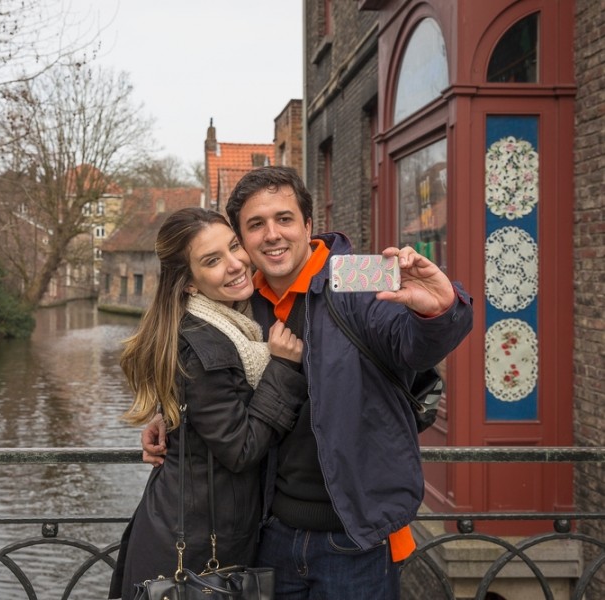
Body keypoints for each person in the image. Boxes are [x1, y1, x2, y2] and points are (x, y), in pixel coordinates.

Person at [142, 166, 474, 599]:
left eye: (284, 219)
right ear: (242, 240)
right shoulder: (242, 297)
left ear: (308, 226)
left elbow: (412, 343)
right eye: (255, 225)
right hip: (269, 537)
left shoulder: (356, 274)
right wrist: (168, 416)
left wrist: (442, 310)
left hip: (354, 538)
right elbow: (207, 373)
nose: (272, 235)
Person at [109, 207, 309, 600]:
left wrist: (170, 418)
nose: (235, 264)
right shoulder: (206, 345)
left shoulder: (232, 323)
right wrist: (284, 368)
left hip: (194, 529)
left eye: (234, 247)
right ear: (190, 284)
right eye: (212, 261)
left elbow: (207, 407)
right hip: (195, 552)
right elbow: (240, 448)